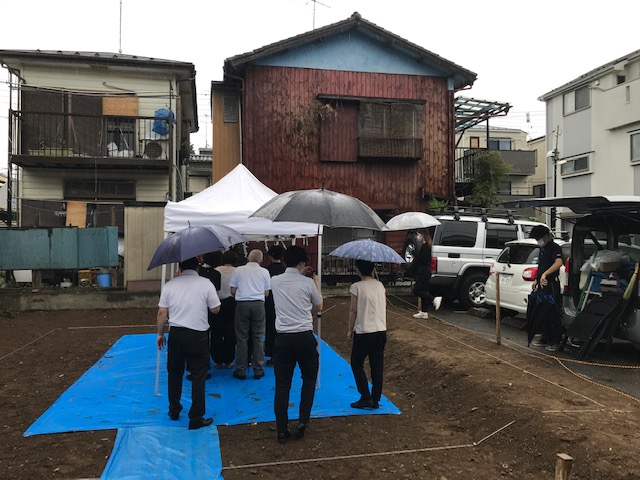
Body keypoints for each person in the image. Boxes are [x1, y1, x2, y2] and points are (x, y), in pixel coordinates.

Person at [156, 257, 221, 430]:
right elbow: (216, 309)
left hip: (177, 333)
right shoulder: (205, 283)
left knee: (174, 373)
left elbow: (162, 312)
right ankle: (196, 417)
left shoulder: (170, 285)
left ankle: (174, 410)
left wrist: (160, 333)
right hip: (198, 335)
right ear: (197, 267)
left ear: (180, 267)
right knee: (198, 376)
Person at [270, 246, 323, 444]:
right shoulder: (308, 283)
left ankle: (282, 430)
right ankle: (302, 422)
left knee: (282, 384)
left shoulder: (274, 281)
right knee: (308, 380)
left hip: (283, 338)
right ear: (302, 263)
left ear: (284, 262)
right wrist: (314, 279)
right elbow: (319, 306)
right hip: (304, 336)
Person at [347, 259, 387, 410]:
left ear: (358, 270)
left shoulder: (356, 287)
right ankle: (375, 398)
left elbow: (353, 310)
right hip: (380, 330)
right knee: (377, 365)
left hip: (364, 331)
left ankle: (365, 396)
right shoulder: (379, 285)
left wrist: (349, 330)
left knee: (357, 364)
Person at [229, 249, 271, 380]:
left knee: (242, 338)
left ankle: (241, 369)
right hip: (258, 304)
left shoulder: (239, 270)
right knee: (258, 337)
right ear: (261, 260)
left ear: (248, 258)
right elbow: (267, 293)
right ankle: (258, 369)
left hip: (242, 304)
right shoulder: (265, 272)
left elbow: (232, 290)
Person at [529, 225, 564, 351]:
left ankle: (555, 341)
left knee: (553, 312)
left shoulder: (555, 248)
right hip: (542, 285)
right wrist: (536, 280)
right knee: (542, 311)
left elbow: (559, 262)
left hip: (551, 284)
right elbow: (541, 265)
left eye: (539, 238)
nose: (538, 241)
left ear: (545, 236)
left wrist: (545, 274)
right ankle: (545, 337)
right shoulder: (542, 249)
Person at [212, 250, 238, 369]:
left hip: (217, 302)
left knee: (216, 332)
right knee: (230, 332)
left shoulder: (216, 270)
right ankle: (229, 360)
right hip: (232, 302)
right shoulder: (237, 271)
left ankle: (217, 360)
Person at [408, 229, 442, 319]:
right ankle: (424, 311)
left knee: (417, 290)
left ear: (423, 234)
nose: (417, 236)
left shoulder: (425, 246)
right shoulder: (425, 246)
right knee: (423, 290)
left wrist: (415, 253)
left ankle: (434, 299)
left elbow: (423, 259)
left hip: (424, 271)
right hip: (425, 271)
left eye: (418, 234)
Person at [264, 244, 287, 366]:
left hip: (270, 302)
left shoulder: (267, 270)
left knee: (271, 328)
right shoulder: (285, 269)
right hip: (284, 301)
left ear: (271, 256)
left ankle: (272, 354)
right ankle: (283, 353)